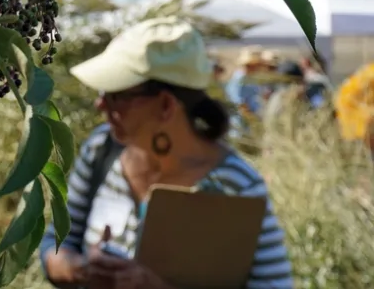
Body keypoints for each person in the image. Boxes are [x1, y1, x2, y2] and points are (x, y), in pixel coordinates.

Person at [39, 17, 293, 289]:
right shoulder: (101, 149)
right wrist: (82, 270)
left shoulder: (237, 186)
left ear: (165, 106)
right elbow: (56, 245)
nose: (100, 104)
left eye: (116, 94)